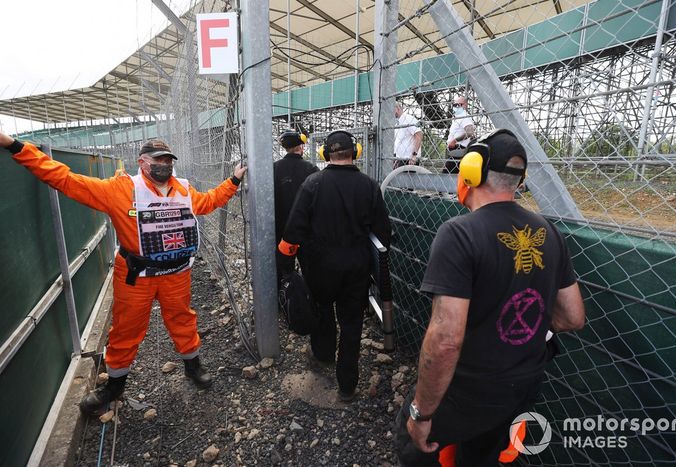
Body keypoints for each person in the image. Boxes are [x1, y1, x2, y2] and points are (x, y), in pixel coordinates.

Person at [0, 133, 247, 416]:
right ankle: (114, 387)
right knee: (126, 330)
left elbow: (208, 202)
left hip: (176, 273)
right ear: (142, 163)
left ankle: (193, 366)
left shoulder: (183, 190)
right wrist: (15, 146)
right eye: (158, 160)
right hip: (135, 276)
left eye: (168, 160)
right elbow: (65, 179)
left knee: (183, 319)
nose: (164, 165)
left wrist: (234, 181)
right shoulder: (120, 190)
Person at [395, 129, 585, 466]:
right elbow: (572, 317)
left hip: (470, 388)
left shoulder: (459, 232)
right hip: (523, 385)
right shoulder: (549, 231)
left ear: (470, 172)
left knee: (412, 443)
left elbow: (446, 340)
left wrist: (421, 413)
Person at [278, 130, 391, 402]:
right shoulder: (369, 185)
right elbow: (383, 233)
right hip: (356, 268)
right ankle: (348, 385)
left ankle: (324, 354)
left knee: (323, 310)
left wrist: (286, 265)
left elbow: (294, 230)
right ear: (356, 152)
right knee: (352, 323)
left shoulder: (312, 184)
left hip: (319, 267)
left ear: (325, 154)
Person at [273, 129, 318, 282]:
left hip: (281, 231)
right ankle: (311, 301)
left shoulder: (273, 168)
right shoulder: (311, 169)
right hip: (306, 230)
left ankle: (285, 300)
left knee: (284, 271)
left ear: (285, 147)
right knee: (310, 271)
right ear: (301, 147)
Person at [443, 95, 475, 174]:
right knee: (454, 175)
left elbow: (470, 132)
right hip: (455, 150)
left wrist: (455, 140)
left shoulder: (465, 117)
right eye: (454, 105)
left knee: (446, 174)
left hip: (459, 149)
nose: (456, 107)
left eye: (458, 105)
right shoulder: (458, 118)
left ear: (465, 105)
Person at [393, 103, 423, 169]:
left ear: (397, 108)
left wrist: (414, 155)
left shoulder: (408, 118)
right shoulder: (398, 122)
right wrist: (397, 158)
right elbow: (399, 141)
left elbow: (419, 134)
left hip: (409, 160)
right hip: (401, 159)